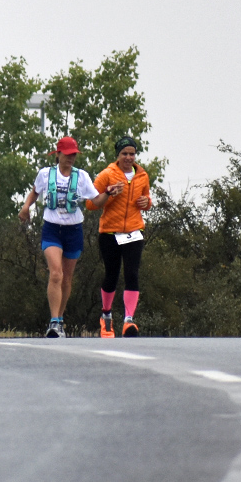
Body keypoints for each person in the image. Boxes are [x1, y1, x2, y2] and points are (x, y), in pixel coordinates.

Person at [20, 137, 119, 338]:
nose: (71, 158)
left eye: (73, 154)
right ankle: (54, 322)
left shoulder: (81, 177)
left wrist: (108, 193)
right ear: (58, 154)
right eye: (67, 154)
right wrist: (25, 207)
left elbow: (96, 201)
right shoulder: (46, 174)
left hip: (73, 230)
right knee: (56, 274)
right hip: (52, 229)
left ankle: (60, 319)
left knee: (66, 278)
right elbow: (35, 192)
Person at [88, 136, 152, 338]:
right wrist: (108, 193)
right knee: (111, 275)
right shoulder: (107, 174)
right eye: (124, 153)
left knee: (132, 274)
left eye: (132, 153)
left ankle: (129, 320)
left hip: (134, 231)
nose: (128, 157)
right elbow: (91, 204)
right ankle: (106, 317)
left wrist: (146, 203)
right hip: (110, 233)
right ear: (118, 155)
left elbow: (147, 200)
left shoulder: (142, 176)